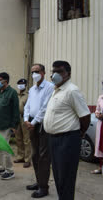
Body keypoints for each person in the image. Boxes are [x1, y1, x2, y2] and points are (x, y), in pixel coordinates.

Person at [44, 61, 90, 200]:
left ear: (68, 74)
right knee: (58, 175)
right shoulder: (56, 90)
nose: (55, 75)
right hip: (54, 139)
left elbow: (85, 116)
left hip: (68, 139)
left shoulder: (72, 91)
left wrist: (79, 133)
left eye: (60, 71)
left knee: (66, 176)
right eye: (54, 71)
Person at [24, 64, 54, 198]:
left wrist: (34, 122)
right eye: (32, 72)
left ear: (43, 72)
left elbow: (45, 108)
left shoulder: (49, 87)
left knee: (43, 156)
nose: (34, 74)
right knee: (35, 155)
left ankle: (44, 187)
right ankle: (38, 181)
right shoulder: (32, 89)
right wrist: (26, 119)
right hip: (31, 123)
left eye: (37, 71)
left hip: (42, 125)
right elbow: (28, 106)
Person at [14, 78, 31, 168]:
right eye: (19, 83)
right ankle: (20, 156)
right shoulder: (16, 95)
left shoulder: (28, 95)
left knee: (27, 139)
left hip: (25, 118)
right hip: (17, 118)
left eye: (22, 84)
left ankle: (27, 159)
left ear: (26, 85)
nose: (21, 85)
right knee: (18, 138)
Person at [92, 90, 103, 174]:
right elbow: (97, 109)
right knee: (100, 145)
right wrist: (97, 114)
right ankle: (100, 167)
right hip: (101, 123)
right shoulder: (101, 97)